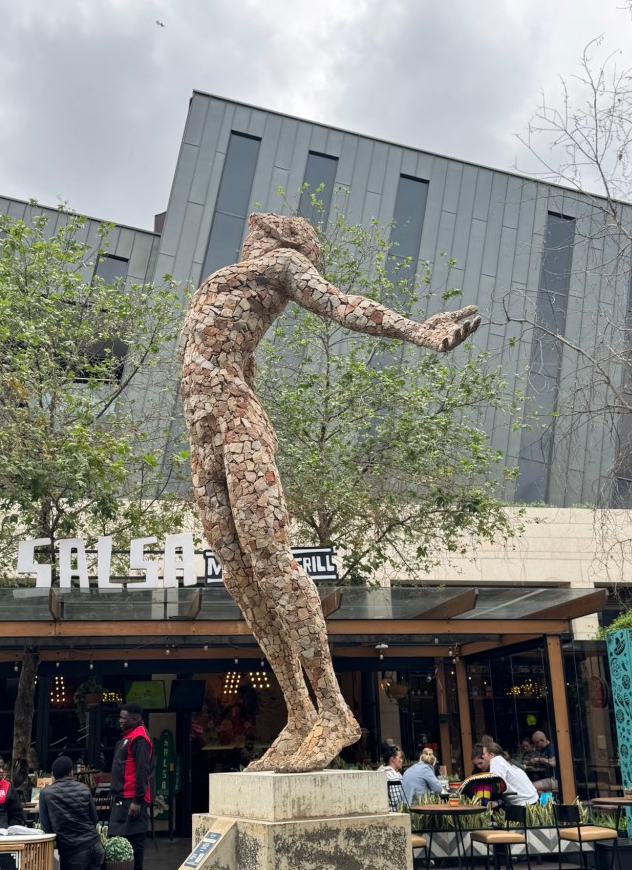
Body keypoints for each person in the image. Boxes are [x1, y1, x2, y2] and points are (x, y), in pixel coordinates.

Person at [181, 211, 481, 773]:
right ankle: (299, 716)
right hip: (204, 438)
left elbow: (343, 305)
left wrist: (418, 331)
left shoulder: (282, 264)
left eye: (264, 230)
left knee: (271, 563)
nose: (253, 230)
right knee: (241, 578)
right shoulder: (244, 278)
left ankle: (334, 711)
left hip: (238, 428)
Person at [39, 756, 104, 870]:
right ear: (71, 773)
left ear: (53, 775)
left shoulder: (46, 793)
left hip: (73, 851)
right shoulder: (84, 788)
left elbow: (46, 827)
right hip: (95, 845)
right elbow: (94, 819)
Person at [108, 703, 155, 870]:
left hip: (132, 798)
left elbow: (143, 770)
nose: (120, 721)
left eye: (123, 717)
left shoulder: (139, 738)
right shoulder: (129, 736)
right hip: (123, 796)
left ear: (135, 718)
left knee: (134, 839)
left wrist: (137, 800)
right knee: (117, 837)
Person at [482, 742, 538, 806]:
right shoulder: (504, 761)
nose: (482, 756)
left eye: (484, 754)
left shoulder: (496, 760)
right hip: (531, 799)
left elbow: (497, 785)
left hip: (524, 803)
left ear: (491, 755)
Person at [377, 743, 405, 811]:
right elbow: (397, 800)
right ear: (392, 759)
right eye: (400, 757)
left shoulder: (379, 771)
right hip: (395, 810)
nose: (402, 760)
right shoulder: (393, 776)